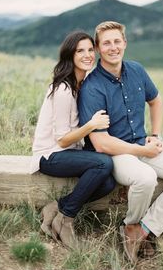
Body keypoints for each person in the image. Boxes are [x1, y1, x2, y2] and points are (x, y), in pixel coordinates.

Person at [78, 21, 163, 264]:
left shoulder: (137, 70)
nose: (113, 47)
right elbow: (102, 143)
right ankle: (130, 223)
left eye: (117, 41)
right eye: (106, 43)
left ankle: (144, 229)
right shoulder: (92, 87)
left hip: (142, 145)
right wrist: (141, 149)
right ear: (98, 48)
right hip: (115, 153)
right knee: (145, 178)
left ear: (124, 43)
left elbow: (155, 101)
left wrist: (155, 136)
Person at [30, 31, 116, 248]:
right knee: (103, 163)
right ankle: (65, 220)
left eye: (90, 50)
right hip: (49, 155)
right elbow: (61, 140)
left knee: (108, 182)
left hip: (67, 153)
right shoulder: (63, 89)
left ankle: (56, 207)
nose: (87, 55)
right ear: (70, 55)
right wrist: (91, 126)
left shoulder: (79, 85)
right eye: (80, 51)